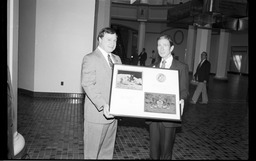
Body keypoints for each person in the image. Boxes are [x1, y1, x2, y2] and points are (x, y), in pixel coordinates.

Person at [80, 27, 122, 159]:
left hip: (113, 115)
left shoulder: (117, 59)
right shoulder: (90, 58)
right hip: (97, 115)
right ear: (100, 40)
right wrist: (103, 105)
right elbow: (87, 84)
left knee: (107, 153)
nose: (112, 43)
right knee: (92, 154)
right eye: (109, 39)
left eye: (114, 40)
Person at [147, 35, 189, 160]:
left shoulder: (181, 67)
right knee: (153, 151)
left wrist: (182, 100)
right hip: (153, 114)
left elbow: (185, 90)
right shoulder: (152, 67)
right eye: (159, 45)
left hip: (169, 116)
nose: (161, 48)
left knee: (166, 151)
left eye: (165, 45)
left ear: (171, 48)